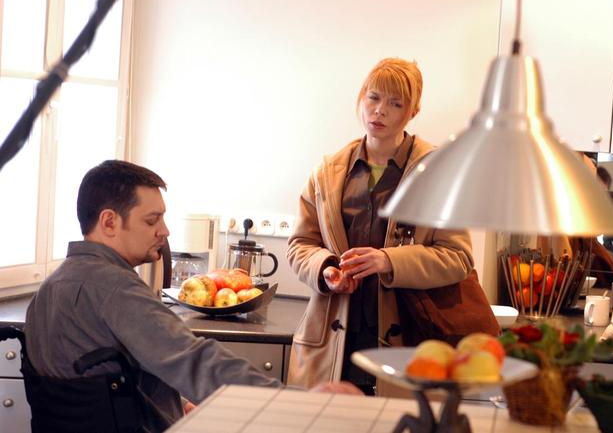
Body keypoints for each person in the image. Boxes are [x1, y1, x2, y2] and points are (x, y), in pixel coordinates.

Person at [24, 160, 359, 432]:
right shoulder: (115, 289)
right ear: (109, 222)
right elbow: (195, 361)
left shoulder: (48, 292)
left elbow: (100, 386)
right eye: (152, 220)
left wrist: (176, 404)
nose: (165, 231)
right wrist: (303, 404)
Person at [286, 58, 498, 396]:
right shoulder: (327, 172)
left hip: (409, 342)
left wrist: (389, 260)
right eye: (373, 98)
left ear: (412, 112)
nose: (380, 111)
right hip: (335, 340)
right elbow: (300, 244)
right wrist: (325, 269)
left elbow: (457, 257)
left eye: (395, 103)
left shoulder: (438, 172)